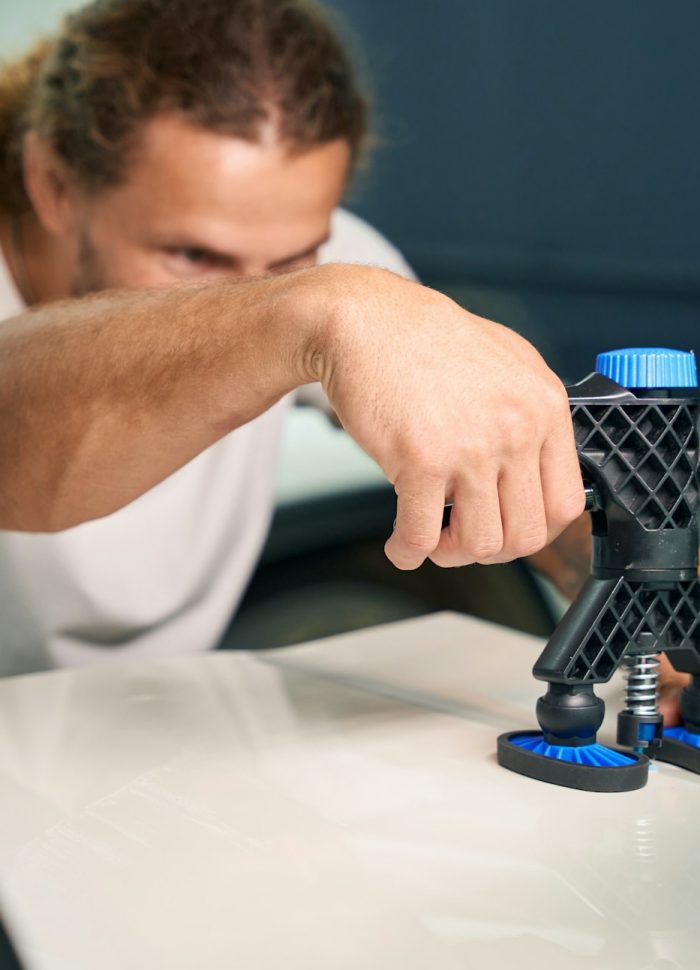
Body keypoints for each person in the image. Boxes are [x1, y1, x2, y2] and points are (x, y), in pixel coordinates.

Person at [0, 0, 585, 674]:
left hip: (151, 713)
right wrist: (307, 308)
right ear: (54, 185)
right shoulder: (325, 297)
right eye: (192, 256)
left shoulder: (339, 269)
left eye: (291, 258)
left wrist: (645, 590)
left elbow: (512, 467)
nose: (249, 290)